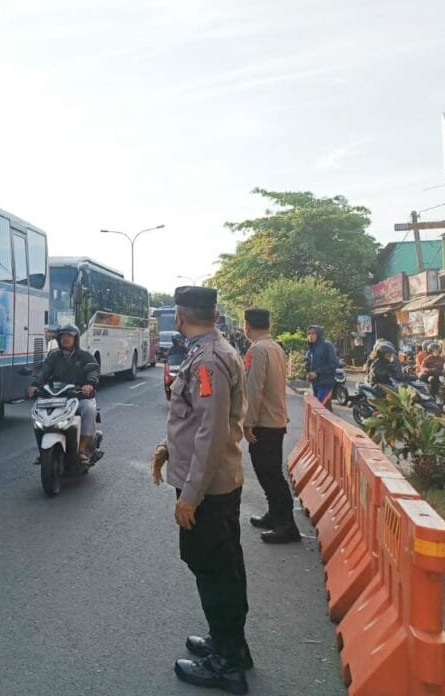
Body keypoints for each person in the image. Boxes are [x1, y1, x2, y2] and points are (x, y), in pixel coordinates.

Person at [151, 286, 251, 694]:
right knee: (223, 566)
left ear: (180, 316)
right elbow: (195, 421)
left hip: (208, 488)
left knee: (213, 569)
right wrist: (167, 448)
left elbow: (211, 431)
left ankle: (227, 663)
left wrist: (190, 495)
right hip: (216, 480)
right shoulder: (211, 350)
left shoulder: (207, 359)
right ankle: (230, 644)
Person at [242, 308, 300, 545]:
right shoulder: (275, 347)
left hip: (264, 423)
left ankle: (287, 525)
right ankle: (275, 516)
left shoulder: (256, 350)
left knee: (270, 475)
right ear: (269, 324)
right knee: (270, 473)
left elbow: (254, 388)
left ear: (247, 326)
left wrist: (248, 422)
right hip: (275, 420)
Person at [28, 323, 100, 465]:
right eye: (62, 336)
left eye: (69, 336)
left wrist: (89, 384)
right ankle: (43, 452)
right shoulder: (53, 356)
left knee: (89, 409)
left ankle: (82, 450)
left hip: (79, 396)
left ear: (75, 339)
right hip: (56, 397)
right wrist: (34, 385)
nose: (65, 339)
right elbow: (44, 372)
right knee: (38, 414)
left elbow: (93, 370)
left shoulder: (84, 356)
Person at [305, 325, 339, 407]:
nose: (311, 336)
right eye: (309, 333)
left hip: (325, 384)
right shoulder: (310, 350)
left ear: (319, 334)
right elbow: (308, 366)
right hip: (315, 384)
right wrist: (308, 374)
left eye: (313, 333)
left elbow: (334, 363)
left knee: (320, 407)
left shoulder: (327, 345)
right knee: (319, 409)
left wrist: (317, 373)